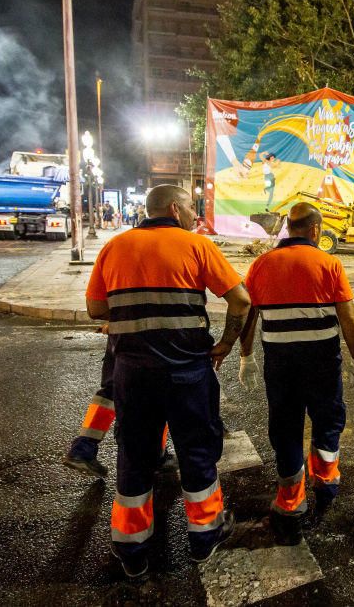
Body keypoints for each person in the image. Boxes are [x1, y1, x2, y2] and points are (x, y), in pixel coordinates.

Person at [86, 184, 251, 577]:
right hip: (187, 371)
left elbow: (95, 308)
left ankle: (131, 548)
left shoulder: (114, 246)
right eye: (193, 208)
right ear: (175, 210)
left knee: (135, 453)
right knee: (196, 449)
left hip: (132, 372)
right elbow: (241, 300)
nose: (197, 215)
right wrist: (227, 343)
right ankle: (204, 535)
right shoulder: (197, 246)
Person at [238, 202, 354, 545]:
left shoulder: (261, 264)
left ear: (289, 229)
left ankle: (291, 502)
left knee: (286, 427)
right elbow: (349, 318)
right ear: (316, 230)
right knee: (327, 421)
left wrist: (246, 356)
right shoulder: (329, 263)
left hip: (280, 366)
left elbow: (247, 314)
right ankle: (326, 483)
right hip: (322, 364)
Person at [61, 324, 176, 479]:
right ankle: (156, 456)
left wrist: (112, 321)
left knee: (113, 388)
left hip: (121, 329)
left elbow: (97, 306)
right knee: (159, 388)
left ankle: (83, 447)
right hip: (155, 332)